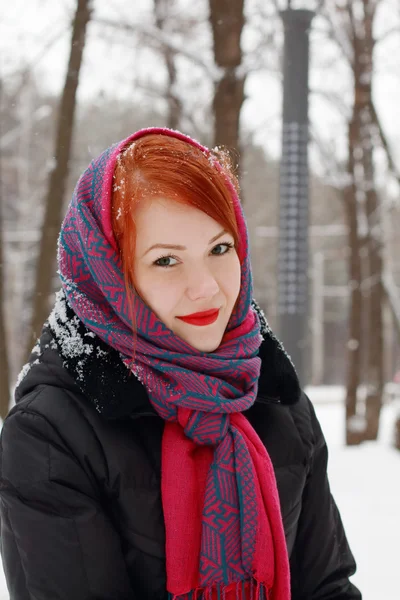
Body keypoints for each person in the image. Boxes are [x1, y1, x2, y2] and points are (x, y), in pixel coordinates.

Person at [0, 128, 361, 600]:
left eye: (219, 249)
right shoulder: (51, 434)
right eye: (166, 260)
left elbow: (327, 587)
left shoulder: (275, 398)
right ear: (108, 273)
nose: (206, 287)